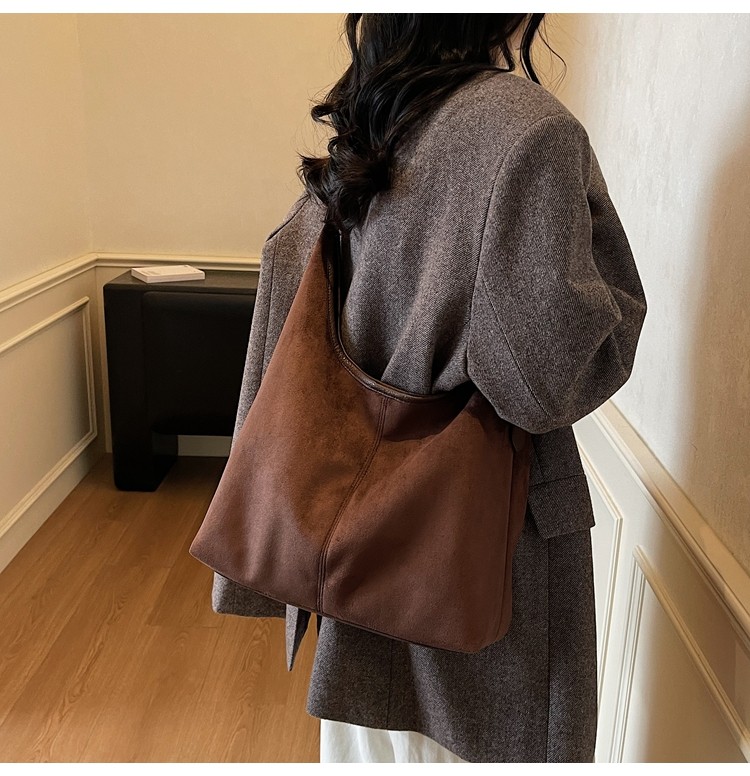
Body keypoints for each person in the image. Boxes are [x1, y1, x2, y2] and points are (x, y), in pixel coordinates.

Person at [210, 13, 648, 763]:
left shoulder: (377, 113)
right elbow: (548, 380)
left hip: (353, 568)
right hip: (479, 576)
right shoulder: (527, 133)